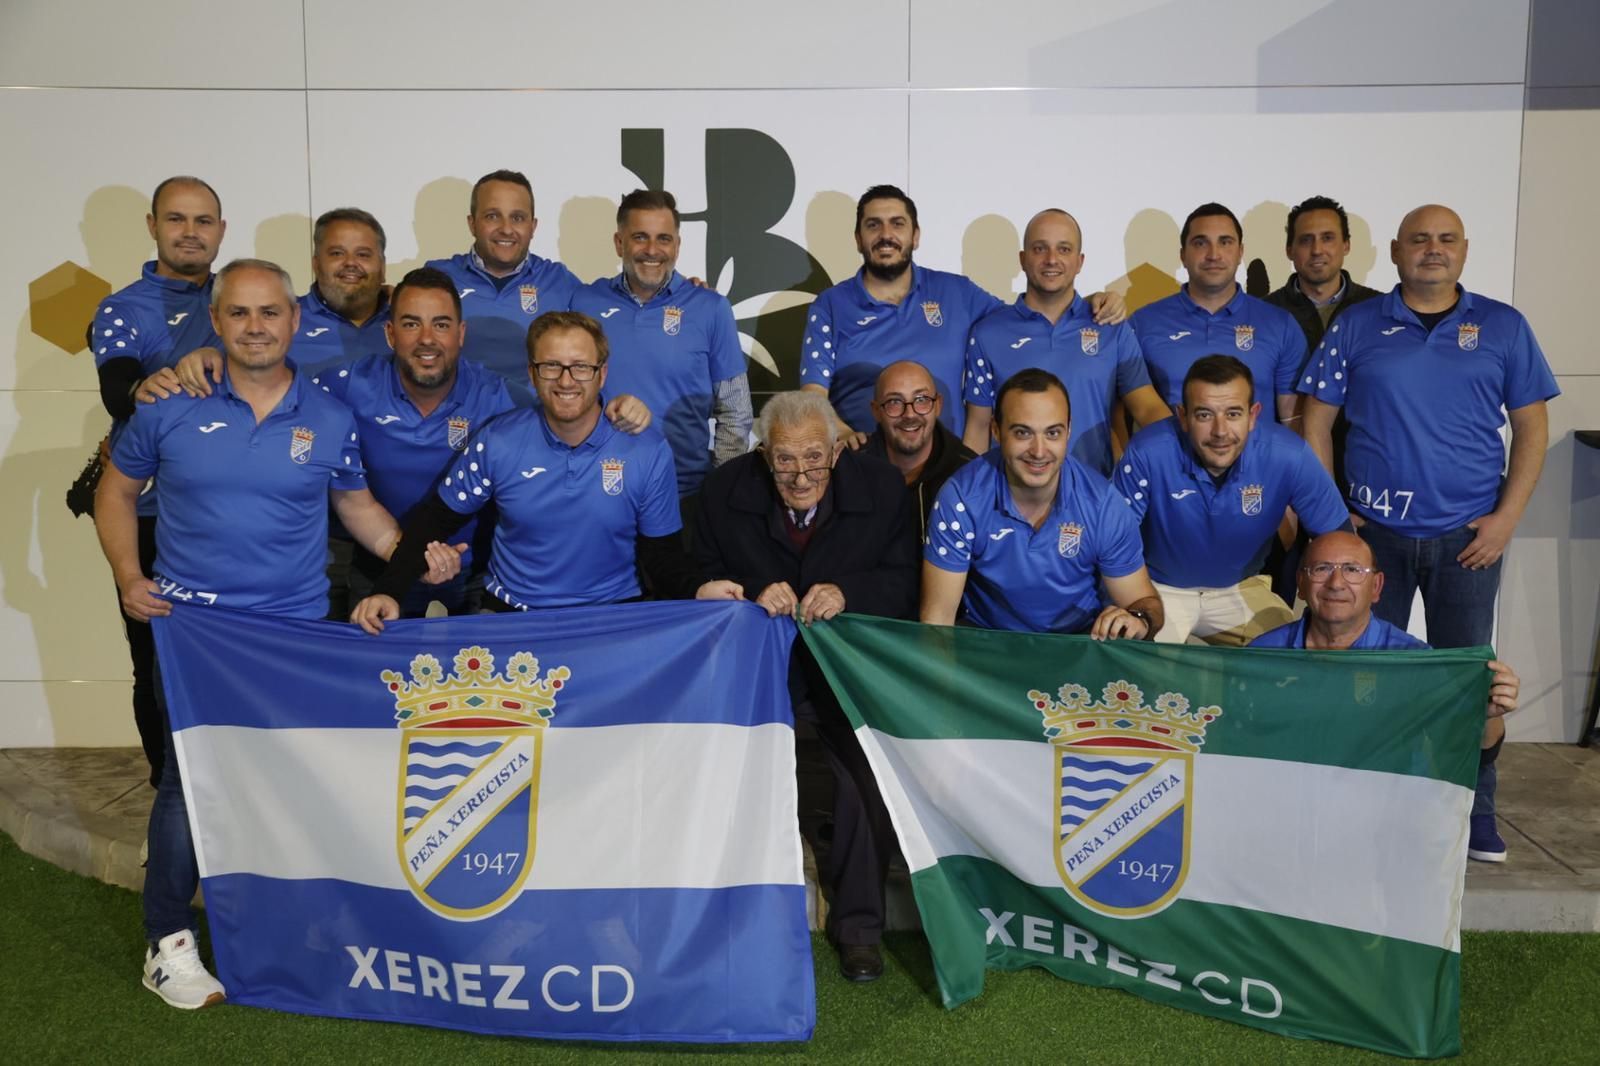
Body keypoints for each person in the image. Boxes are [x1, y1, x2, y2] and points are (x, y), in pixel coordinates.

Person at [94, 258, 460, 1009]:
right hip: (196, 631)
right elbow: (116, 490)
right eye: (239, 314)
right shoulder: (169, 405)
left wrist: (414, 567)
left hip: (292, 633)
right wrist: (130, 577)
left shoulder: (327, 416)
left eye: (270, 314)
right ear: (216, 321)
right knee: (187, 787)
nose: (255, 328)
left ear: (295, 321)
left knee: (289, 776)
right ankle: (167, 942)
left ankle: (288, 924)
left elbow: (356, 507)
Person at [1300, 203, 1559, 862]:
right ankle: (1359, 805)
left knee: (1468, 681)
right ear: (1395, 250)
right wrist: (1334, 515)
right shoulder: (1358, 325)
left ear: (1465, 251)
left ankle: (1476, 813)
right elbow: (1315, 423)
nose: (1433, 250)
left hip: (1467, 539)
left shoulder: (1503, 327)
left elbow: (1532, 428)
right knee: (1363, 679)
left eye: (1446, 240)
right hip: (1376, 537)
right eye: (1420, 239)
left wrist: (1505, 520)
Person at [693, 389, 919, 983]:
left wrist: (848, 592)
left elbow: (903, 584)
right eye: (786, 460)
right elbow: (691, 572)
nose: (801, 476)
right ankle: (729, 927)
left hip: (843, 676)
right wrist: (747, 584)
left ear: (837, 453)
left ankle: (860, 931)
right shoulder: (722, 491)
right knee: (726, 776)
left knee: (863, 781)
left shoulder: (882, 488)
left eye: (814, 459)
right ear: (765, 455)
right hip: (754, 675)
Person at [352, 311, 724, 628]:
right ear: (532, 373)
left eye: (580, 367)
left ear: (602, 374)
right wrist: (389, 590)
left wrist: (700, 588)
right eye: (551, 367)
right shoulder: (498, 440)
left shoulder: (647, 449)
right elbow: (435, 520)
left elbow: (663, 555)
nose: (565, 380)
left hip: (611, 619)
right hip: (512, 618)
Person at [1250, 531, 1521, 861]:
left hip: (1383, 826)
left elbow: (1471, 753)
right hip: (1287, 820)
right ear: (1301, 584)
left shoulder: (1415, 663)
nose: (1336, 583)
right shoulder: (1261, 656)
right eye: (1321, 568)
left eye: (1353, 570)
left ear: (1376, 587)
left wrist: (1487, 715)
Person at [90, 175, 226, 787]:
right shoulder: (124, 307)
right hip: (151, 518)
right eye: (177, 220)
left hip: (230, 514)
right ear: (153, 226)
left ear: (221, 231)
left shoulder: (245, 299)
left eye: (203, 221)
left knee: (228, 659)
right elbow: (118, 388)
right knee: (156, 663)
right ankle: (166, 793)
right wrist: (141, 389)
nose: (190, 232)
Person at [800, 185, 1125, 439]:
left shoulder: (957, 293)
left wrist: (1087, 303)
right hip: (863, 466)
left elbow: (1028, 318)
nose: (886, 235)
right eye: (874, 225)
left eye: (897, 224)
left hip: (943, 470)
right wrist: (840, 432)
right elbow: (812, 395)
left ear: (916, 235)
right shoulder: (830, 305)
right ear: (858, 239)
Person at [1114, 355, 1350, 645]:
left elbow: (1341, 540)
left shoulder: (1289, 455)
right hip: (1158, 589)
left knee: (1293, 662)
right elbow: (1112, 542)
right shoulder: (1147, 451)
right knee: (1140, 673)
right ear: (1182, 417)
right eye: (1204, 415)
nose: (1220, 431)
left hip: (1240, 588)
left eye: (1233, 414)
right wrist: (1135, 606)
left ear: (1253, 416)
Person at [921, 368, 1162, 638]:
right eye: (1023, 433)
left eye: (1053, 433)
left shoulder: (1103, 504)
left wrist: (1139, 619)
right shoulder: (961, 497)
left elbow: (1144, 602)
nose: (1038, 451)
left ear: (1069, 431)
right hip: (987, 640)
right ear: (996, 432)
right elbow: (937, 620)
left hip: (1079, 641)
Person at [571, 189, 751, 497]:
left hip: (685, 492)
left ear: (677, 246)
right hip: (599, 489)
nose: (652, 250)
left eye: (664, 239)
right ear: (619, 243)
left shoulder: (711, 308)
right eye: (640, 237)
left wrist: (724, 488)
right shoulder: (584, 302)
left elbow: (735, 408)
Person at [962, 209, 1169, 472]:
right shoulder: (988, 333)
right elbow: (978, 427)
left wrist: (1184, 455)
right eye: (1040, 249)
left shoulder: (1111, 328)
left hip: (1093, 497)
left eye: (1064, 249)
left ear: (1080, 261)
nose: (1051, 259)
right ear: (1023, 259)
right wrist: (971, 491)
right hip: (1010, 499)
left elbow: (1148, 409)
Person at [1130, 202, 1307, 425]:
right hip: (1170, 459)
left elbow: (1294, 421)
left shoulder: (1280, 325)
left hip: (1258, 460)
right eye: (1200, 243)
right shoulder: (1143, 324)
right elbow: (1120, 413)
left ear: (1241, 252)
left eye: (1225, 242)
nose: (1214, 254)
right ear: (1183, 255)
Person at [425, 169, 582, 401]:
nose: (506, 229)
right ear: (472, 223)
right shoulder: (437, 277)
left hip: (532, 425)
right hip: (453, 423)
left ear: (533, 226)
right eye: (492, 216)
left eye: (517, 218)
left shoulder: (559, 281)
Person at [863, 360, 975, 534]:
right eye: (894, 402)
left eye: (921, 400)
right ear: (876, 410)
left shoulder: (971, 475)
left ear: (938, 405)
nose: (909, 414)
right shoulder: (850, 471)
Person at [1264, 196, 1380, 353]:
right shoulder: (1265, 312)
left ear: (1346, 245)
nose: (1317, 250)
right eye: (1306, 240)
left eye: (1327, 238)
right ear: (1289, 250)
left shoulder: (1380, 307)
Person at [289, 207, 392, 375]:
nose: (351, 263)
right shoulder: (283, 322)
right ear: (316, 264)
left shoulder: (408, 322)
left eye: (363, 254)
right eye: (337, 253)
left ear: (382, 267)